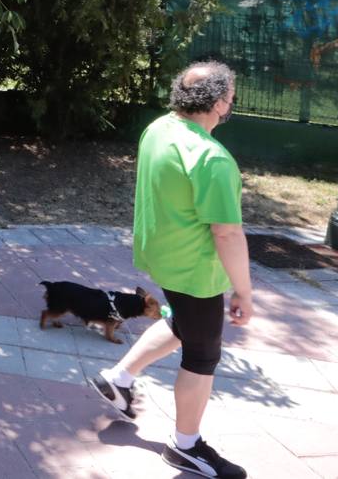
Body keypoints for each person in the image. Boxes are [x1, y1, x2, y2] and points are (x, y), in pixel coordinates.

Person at [90, 61, 252, 478]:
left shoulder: (159, 128)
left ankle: (119, 377)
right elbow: (228, 234)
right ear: (218, 104)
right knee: (202, 356)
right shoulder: (212, 158)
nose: (231, 103)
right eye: (231, 97)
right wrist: (243, 291)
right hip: (195, 273)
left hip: (161, 258)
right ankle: (185, 447)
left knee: (182, 323)